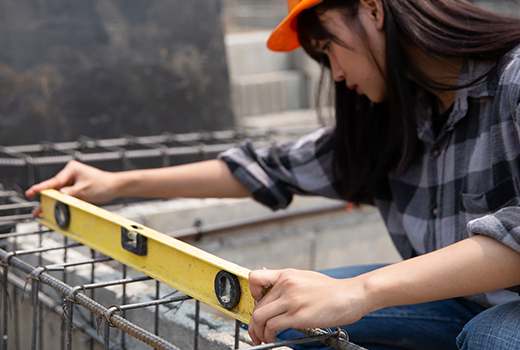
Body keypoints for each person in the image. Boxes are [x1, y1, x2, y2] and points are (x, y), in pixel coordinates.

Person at [25, 0, 520, 348]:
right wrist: (118, 184)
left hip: (500, 315)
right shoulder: (398, 121)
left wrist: (359, 291)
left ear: (372, 8)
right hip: (457, 302)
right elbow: (267, 167)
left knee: (494, 336)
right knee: (280, 313)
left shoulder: (512, 80)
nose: (337, 74)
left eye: (329, 46)